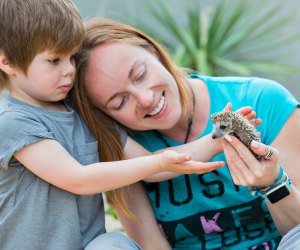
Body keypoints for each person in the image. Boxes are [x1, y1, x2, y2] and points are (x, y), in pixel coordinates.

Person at [0, 2, 228, 249]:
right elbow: (78, 179)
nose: (69, 71)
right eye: (54, 60)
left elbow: (153, 164)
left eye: (72, 57)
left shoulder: (80, 112)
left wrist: (219, 137)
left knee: (112, 244)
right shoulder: (13, 121)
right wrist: (157, 162)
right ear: (7, 62)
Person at [70, 18, 300, 249]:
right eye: (120, 102)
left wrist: (272, 183)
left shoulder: (264, 100)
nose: (146, 100)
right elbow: (151, 243)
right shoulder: (120, 149)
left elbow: (297, 230)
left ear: (154, 52)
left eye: (140, 74)